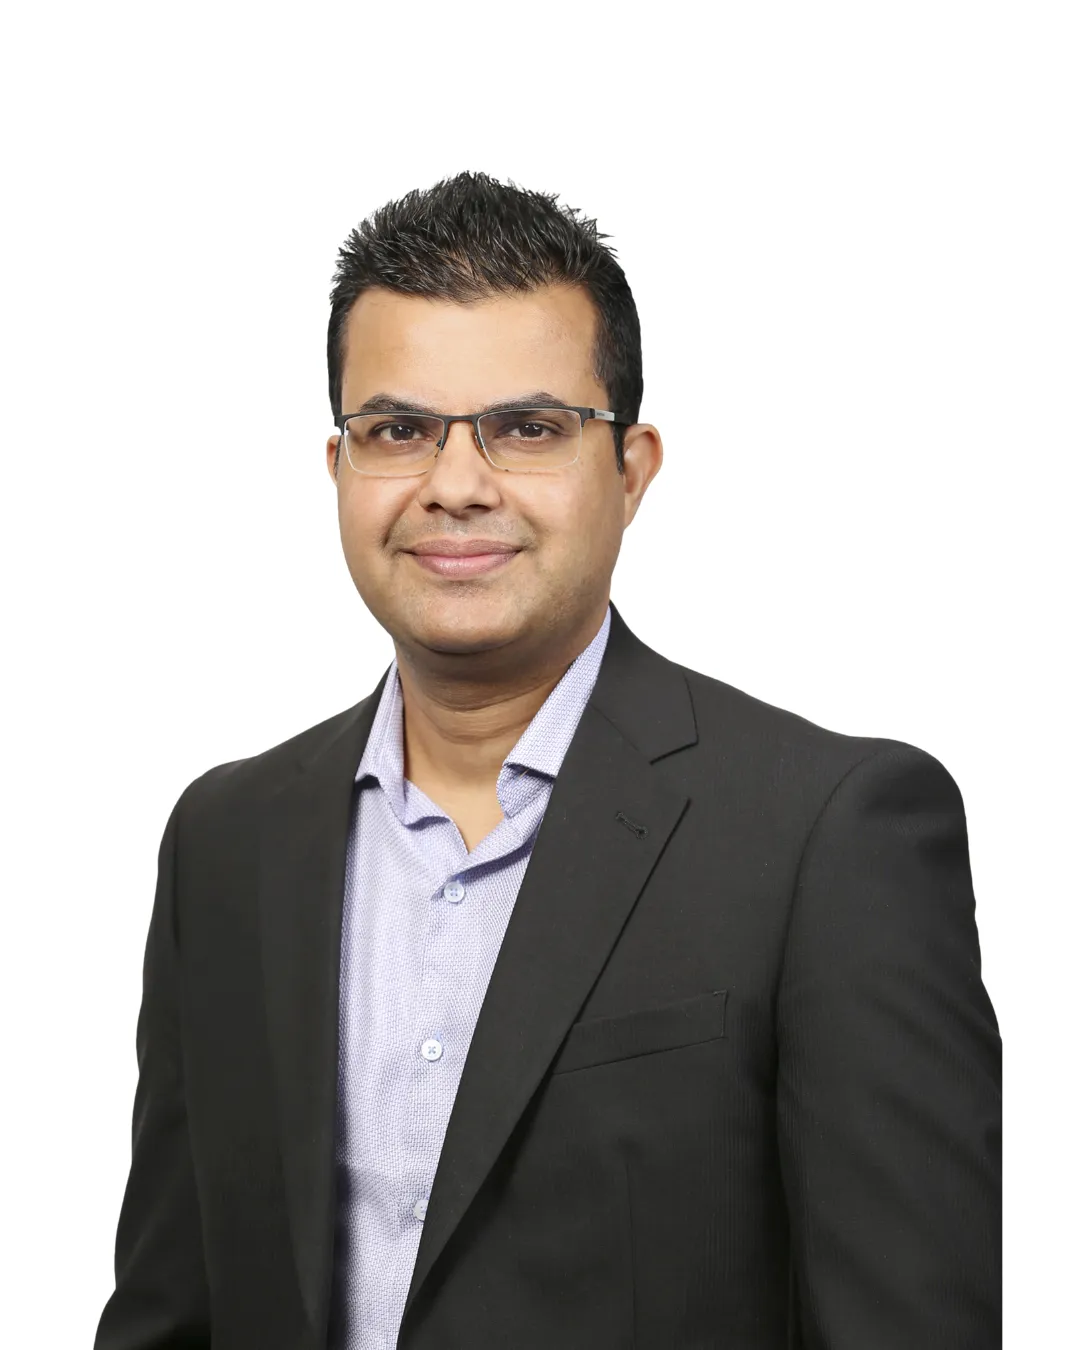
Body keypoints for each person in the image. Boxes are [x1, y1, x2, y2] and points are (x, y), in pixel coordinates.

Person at [94, 171, 1002, 1350]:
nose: (455, 486)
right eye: (399, 431)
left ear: (631, 470)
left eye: (527, 428)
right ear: (339, 470)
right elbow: (171, 1312)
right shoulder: (227, 841)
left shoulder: (829, 836)